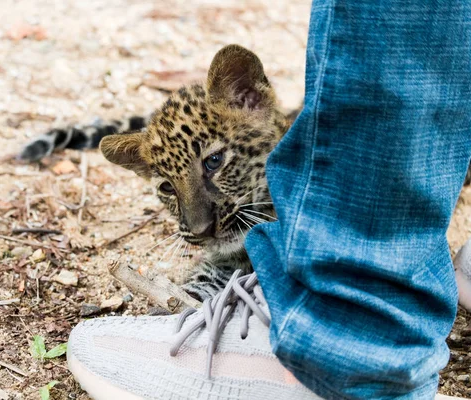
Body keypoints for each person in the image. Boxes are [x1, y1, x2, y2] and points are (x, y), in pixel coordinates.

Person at [66, 0, 471, 398]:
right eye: (170, 189)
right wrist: (198, 292)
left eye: (213, 163)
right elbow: (224, 263)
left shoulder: (309, 178)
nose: (197, 222)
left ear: (249, 98)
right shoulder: (243, 207)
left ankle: (348, 355)